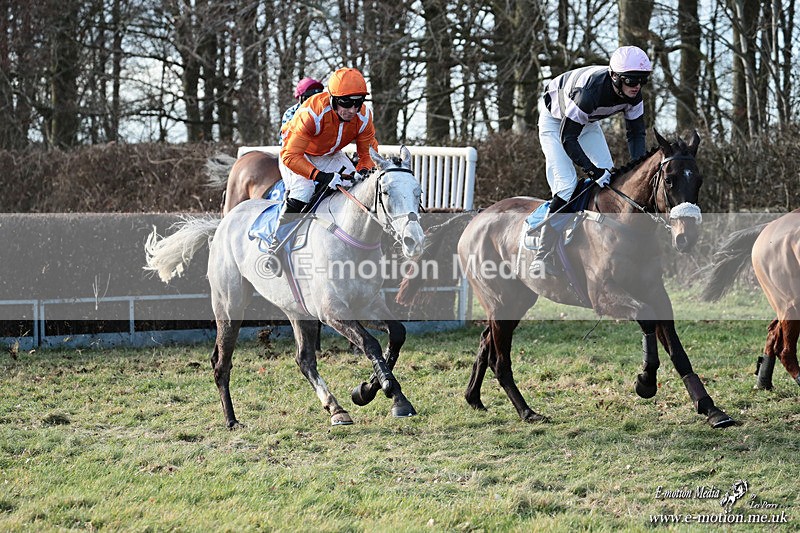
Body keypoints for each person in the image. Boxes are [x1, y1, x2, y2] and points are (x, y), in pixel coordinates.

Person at [529, 45, 652, 274]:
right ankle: (542, 253)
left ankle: (596, 239)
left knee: (609, 179)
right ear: (615, 77)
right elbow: (568, 138)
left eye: (642, 81)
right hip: (556, 123)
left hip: (585, 123)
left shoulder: (634, 95)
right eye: (631, 80)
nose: (636, 87)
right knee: (567, 185)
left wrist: (639, 168)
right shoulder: (590, 92)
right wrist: (591, 170)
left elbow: (636, 134)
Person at [272, 67, 377, 234]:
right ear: (333, 98)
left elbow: (367, 155)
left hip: (328, 153)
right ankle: (277, 241)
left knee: (356, 185)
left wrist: (363, 170)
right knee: (304, 191)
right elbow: (290, 156)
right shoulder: (312, 113)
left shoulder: (364, 117)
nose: (352, 110)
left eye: (358, 102)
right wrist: (321, 176)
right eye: (346, 103)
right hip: (296, 154)